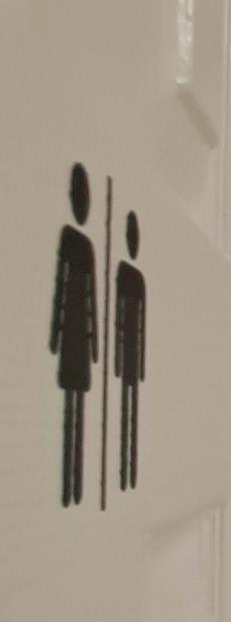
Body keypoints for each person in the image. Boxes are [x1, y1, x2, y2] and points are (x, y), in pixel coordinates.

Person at [50, 163, 98, 506]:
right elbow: (62, 290)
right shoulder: (72, 241)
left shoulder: (80, 245)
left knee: (75, 410)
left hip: (74, 338)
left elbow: (86, 297)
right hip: (72, 338)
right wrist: (56, 337)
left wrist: (93, 348)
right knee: (70, 411)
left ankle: (75, 486)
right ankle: (70, 486)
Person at [115, 212, 146, 490]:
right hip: (128, 351)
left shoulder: (133, 277)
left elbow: (140, 324)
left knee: (132, 408)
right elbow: (118, 317)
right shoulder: (125, 274)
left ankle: (129, 468)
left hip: (131, 353)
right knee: (126, 407)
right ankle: (124, 468)